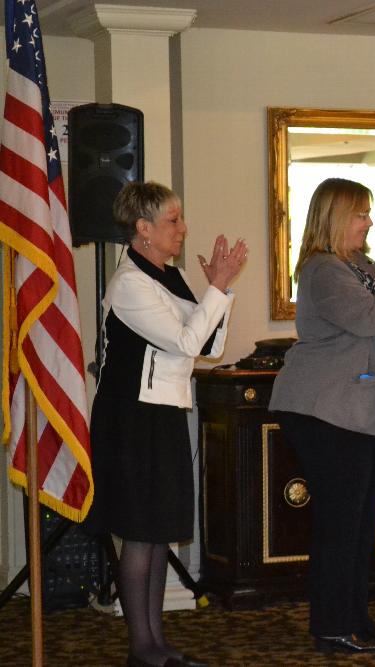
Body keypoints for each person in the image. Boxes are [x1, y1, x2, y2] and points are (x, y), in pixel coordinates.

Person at [85, 181, 247, 667]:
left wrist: (218, 291)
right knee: (140, 532)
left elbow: (211, 346)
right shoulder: (129, 284)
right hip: (131, 418)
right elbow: (184, 342)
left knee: (158, 533)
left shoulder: (167, 276)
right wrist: (215, 289)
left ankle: (157, 644)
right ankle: (141, 648)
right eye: (173, 221)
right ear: (143, 229)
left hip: (163, 412)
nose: (183, 229)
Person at [268, 178, 375, 655]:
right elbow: (373, 318)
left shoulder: (359, 264)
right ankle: (332, 625)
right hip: (325, 410)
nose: (369, 222)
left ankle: (356, 618)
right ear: (336, 216)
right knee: (340, 524)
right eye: (361, 213)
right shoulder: (321, 269)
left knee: (359, 525)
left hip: (359, 412)